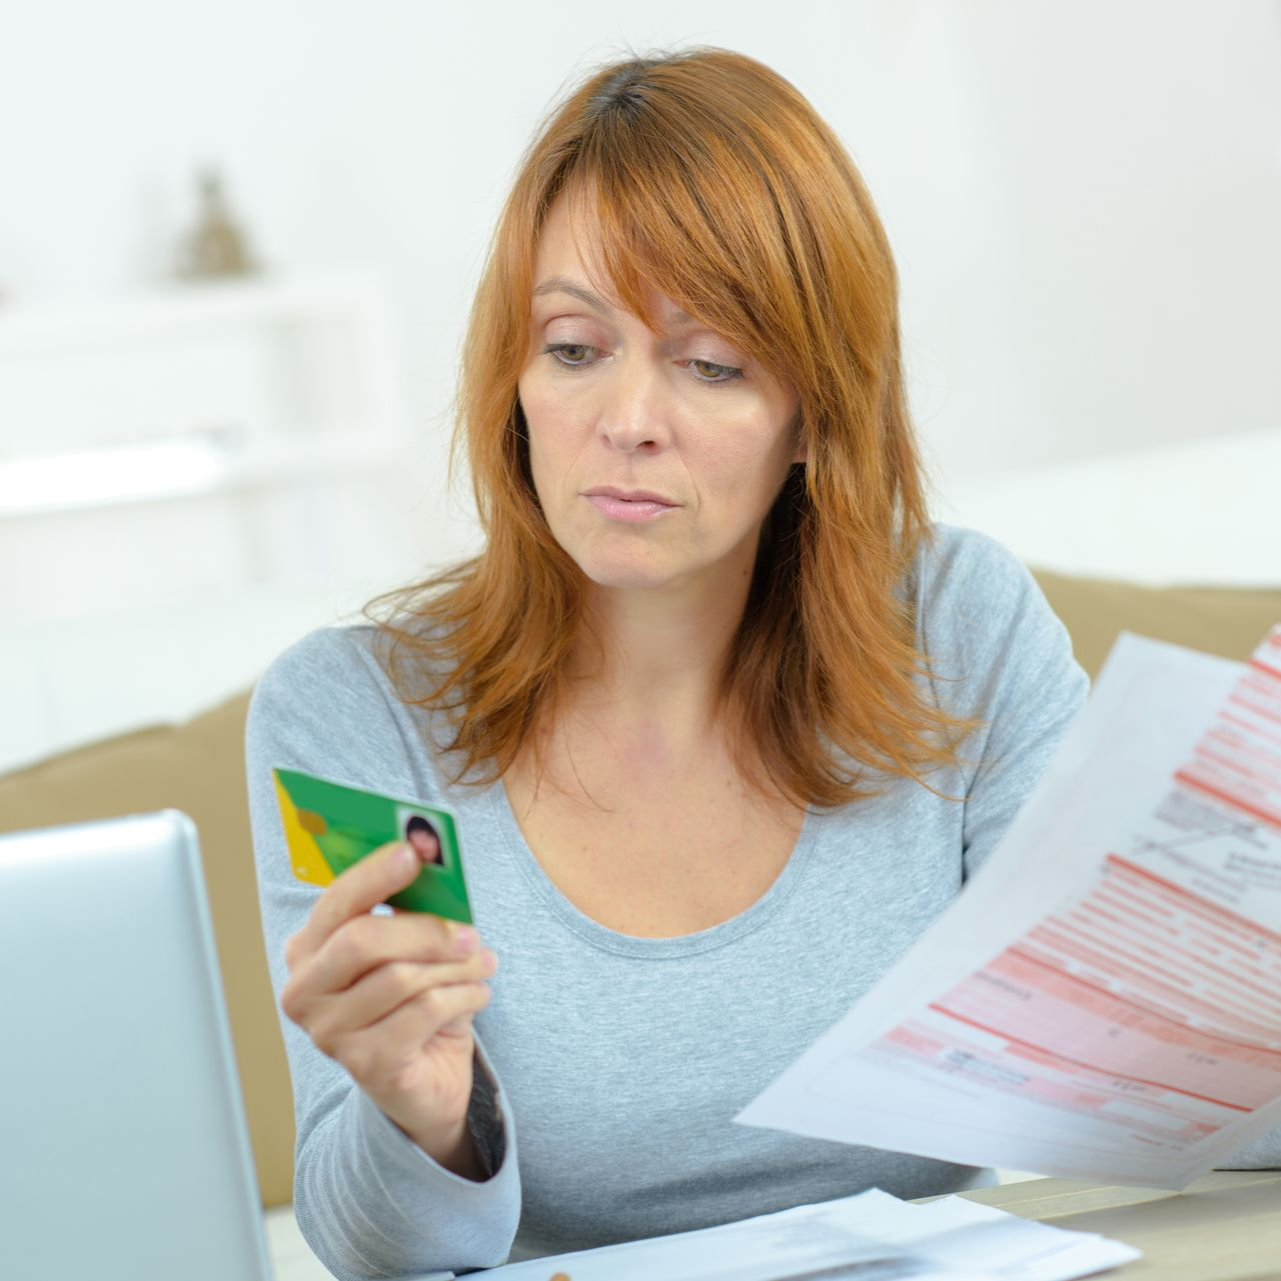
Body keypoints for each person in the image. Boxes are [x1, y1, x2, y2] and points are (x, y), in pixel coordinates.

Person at [245, 46, 1279, 1281]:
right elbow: (379, 1254)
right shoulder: (353, 719)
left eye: (712, 363)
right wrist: (426, 1117)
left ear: (812, 415)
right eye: (574, 347)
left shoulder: (958, 627)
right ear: (512, 382)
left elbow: (1148, 1097)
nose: (628, 418)